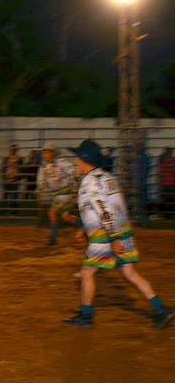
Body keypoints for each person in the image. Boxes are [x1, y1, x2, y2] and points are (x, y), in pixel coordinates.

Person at [63, 139, 174, 329]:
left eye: (78, 159)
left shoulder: (89, 183)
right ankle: (161, 309)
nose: (76, 163)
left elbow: (103, 209)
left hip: (106, 235)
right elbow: (114, 206)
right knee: (130, 273)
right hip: (123, 231)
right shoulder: (109, 178)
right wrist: (85, 228)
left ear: (84, 160)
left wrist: (112, 237)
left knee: (87, 272)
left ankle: (86, 316)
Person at [36, 141, 79, 245]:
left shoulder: (62, 163)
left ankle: (53, 238)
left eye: (46, 152)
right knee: (65, 217)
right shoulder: (44, 167)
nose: (44, 154)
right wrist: (39, 190)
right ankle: (84, 227)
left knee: (52, 213)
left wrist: (75, 189)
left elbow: (73, 172)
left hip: (65, 192)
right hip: (56, 194)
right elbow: (41, 180)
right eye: (44, 152)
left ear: (52, 153)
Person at [1, 144, 23, 215]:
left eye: (14, 149)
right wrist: (4, 178)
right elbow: (3, 169)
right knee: (5, 196)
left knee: (13, 197)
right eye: (12, 149)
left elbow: (21, 169)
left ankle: (13, 212)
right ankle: (4, 212)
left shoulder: (19, 159)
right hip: (7, 180)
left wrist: (17, 179)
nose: (13, 150)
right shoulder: (6, 158)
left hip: (14, 181)